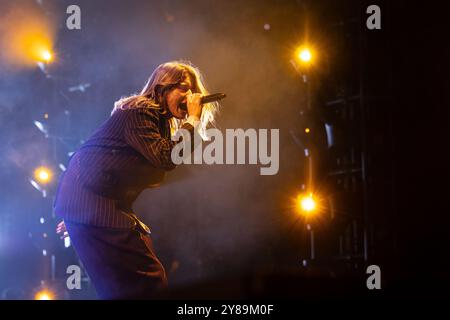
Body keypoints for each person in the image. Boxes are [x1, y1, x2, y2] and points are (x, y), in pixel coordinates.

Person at [54, 61, 218, 299]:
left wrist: (77, 217)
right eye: (183, 88)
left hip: (93, 206)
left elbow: (158, 168)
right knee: (148, 279)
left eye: (193, 90)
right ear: (162, 88)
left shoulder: (156, 123)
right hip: (93, 204)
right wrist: (191, 121)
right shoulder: (140, 111)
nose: (190, 96)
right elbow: (165, 157)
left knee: (124, 286)